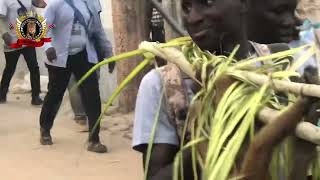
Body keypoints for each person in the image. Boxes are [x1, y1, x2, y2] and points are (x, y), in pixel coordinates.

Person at [132, 0, 318, 179]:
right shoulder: (163, 84)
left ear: (244, 2)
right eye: (187, 6)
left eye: (208, 2)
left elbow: (290, 160)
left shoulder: (282, 65)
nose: (193, 17)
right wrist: (216, 131)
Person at [39, 0, 113, 153]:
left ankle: (94, 139)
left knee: (92, 96)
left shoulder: (89, 4)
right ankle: (45, 129)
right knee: (55, 94)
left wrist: (108, 54)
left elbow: (98, 31)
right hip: (59, 57)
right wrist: (48, 46)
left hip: (84, 56)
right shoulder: (56, 4)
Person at [67, 0, 114, 125]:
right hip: (69, 51)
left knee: (88, 85)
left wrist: (108, 52)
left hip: (90, 49)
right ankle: (81, 116)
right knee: (75, 83)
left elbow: (98, 29)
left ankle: (88, 120)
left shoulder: (92, 2)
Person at [0, 0, 43, 105]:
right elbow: (0, 18)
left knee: (34, 67)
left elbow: (33, 15)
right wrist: (4, 33)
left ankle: (35, 97)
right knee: (10, 68)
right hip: (12, 41)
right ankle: (2, 95)